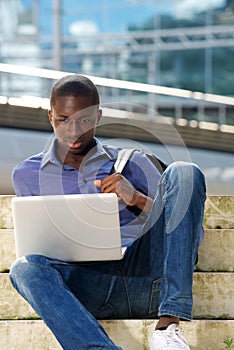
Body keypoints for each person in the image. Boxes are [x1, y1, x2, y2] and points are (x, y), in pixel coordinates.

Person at [10, 74, 206, 350]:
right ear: (50, 117)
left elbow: (192, 237)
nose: (74, 130)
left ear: (98, 117)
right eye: (64, 119)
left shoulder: (133, 163)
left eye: (84, 120)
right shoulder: (28, 175)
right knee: (24, 268)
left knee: (185, 171)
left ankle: (168, 326)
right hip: (87, 289)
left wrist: (136, 198)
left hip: (148, 282)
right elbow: (37, 246)